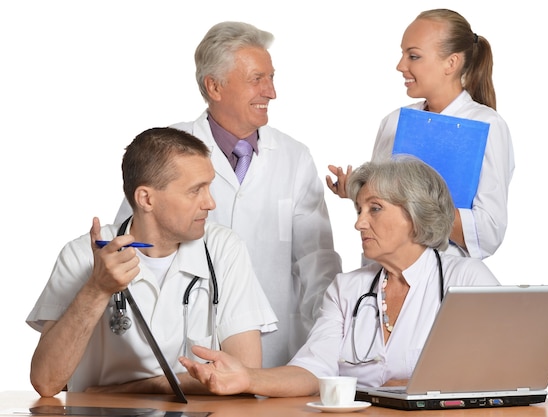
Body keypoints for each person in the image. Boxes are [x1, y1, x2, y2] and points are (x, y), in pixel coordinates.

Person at [114, 21, 342, 368]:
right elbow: (132, 244)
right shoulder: (166, 149)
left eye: (271, 78)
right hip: (183, 352)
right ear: (214, 86)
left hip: (275, 352)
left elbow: (318, 264)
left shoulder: (294, 157)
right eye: (257, 79)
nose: (271, 92)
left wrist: (325, 349)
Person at [178, 157, 500, 396]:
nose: (359, 223)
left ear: (416, 215)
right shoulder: (348, 289)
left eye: (374, 209)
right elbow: (313, 370)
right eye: (359, 210)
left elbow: (501, 369)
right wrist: (248, 378)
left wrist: (419, 385)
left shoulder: (467, 281)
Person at [27, 127, 278, 397]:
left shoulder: (224, 250)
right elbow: (46, 382)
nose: (211, 203)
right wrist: (97, 289)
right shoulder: (82, 255)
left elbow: (245, 376)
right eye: (195, 191)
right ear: (146, 198)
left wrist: (147, 386)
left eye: (209, 187)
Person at [327, 8, 514, 260]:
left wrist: (414, 207)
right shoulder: (393, 122)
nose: (400, 65)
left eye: (413, 56)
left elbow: (487, 232)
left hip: (444, 275)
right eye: (403, 54)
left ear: (451, 62)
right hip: (385, 275)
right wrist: (359, 192)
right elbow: (379, 213)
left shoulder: (486, 126)